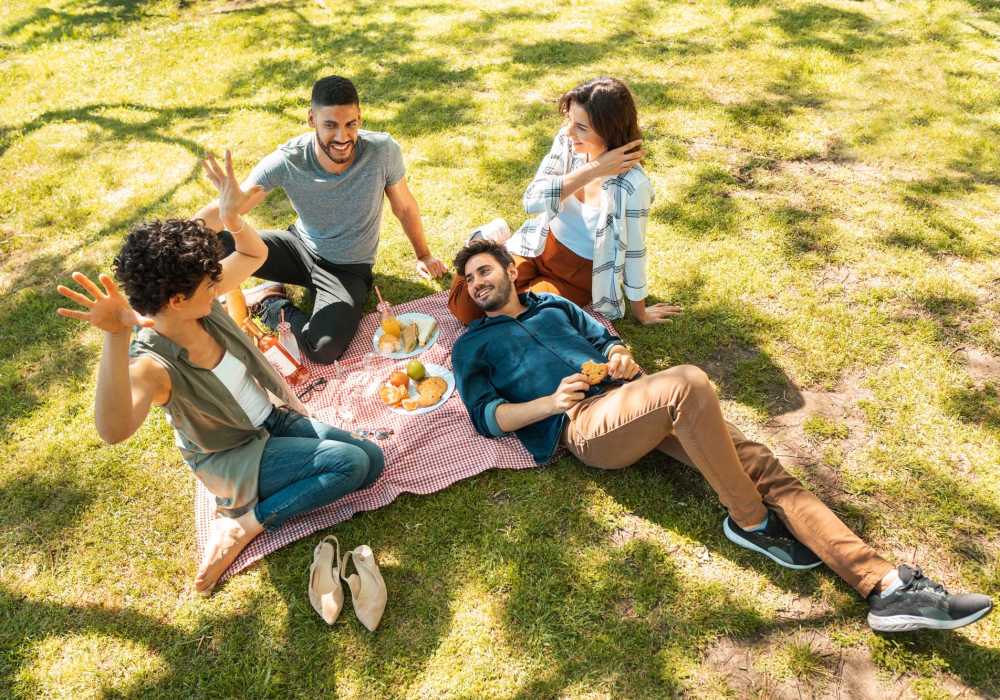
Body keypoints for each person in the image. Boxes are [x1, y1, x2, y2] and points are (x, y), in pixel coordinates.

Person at [450, 239, 993, 632]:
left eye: (483, 271)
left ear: (507, 269)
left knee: (762, 464)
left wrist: (618, 356)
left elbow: (609, 340)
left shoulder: (553, 304)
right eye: (470, 281)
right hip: (586, 428)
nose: (478, 284)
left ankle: (886, 586)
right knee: (687, 382)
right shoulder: (471, 346)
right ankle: (751, 521)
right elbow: (488, 418)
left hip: (635, 398)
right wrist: (550, 403)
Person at [56, 151, 385, 595]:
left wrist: (231, 217)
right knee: (347, 464)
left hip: (272, 419)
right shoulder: (153, 363)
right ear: (175, 299)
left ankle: (255, 503)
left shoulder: (198, 303)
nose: (219, 288)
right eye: (209, 285)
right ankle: (245, 522)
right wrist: (115, 336)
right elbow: (112, 430)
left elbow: (253, 251)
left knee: (373, 462)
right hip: (233, 454)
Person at [194, 75, 447, 364]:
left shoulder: (382, 152)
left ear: (360, 117)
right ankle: (258, 288)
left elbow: (404, 207)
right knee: (208, 241)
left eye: (350, 124)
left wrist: (424, 254)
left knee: (323, 349)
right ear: (312, 118)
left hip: (347, 270)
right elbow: (234, 206)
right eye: (330, 125)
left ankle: (272, 303)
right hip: (298, 248)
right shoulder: (288, 159)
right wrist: (173, 241)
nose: (342, 137)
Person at [448, 77, 681, 326]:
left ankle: (494, 254)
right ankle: (481, 241)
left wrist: (641, 312)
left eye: (581, 127)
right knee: (467, 308)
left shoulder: (633, 185)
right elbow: (532, 200)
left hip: (576, 274)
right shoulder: (568, 142)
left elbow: (634, 252)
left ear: (608, 129)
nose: (569, 132)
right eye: (569, 120)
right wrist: (594, 169)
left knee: (521, 319)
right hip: (538, 243)